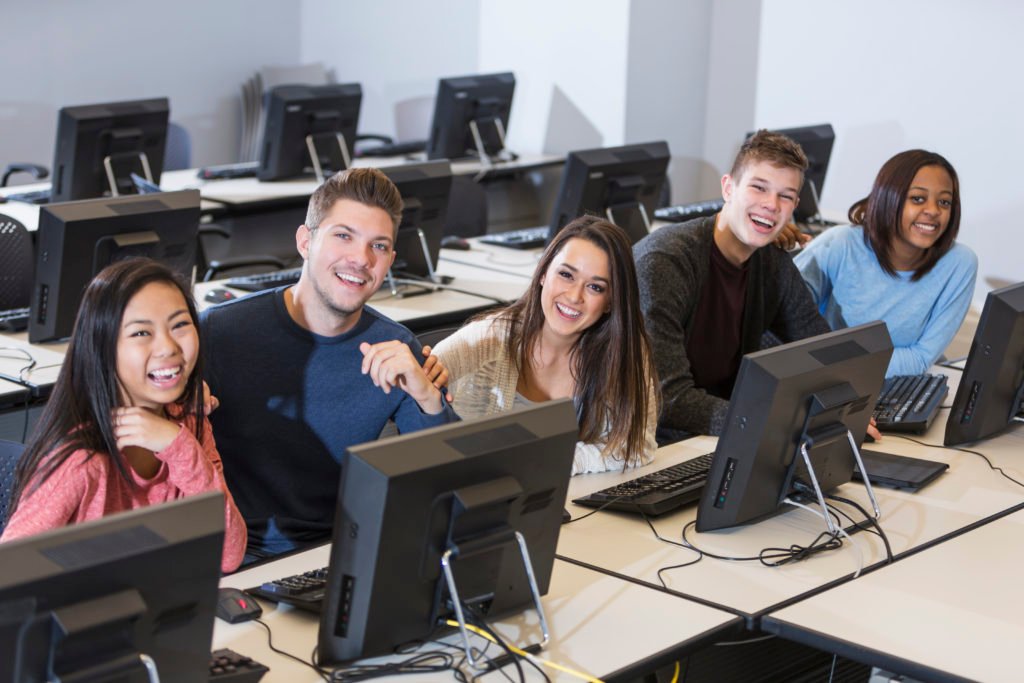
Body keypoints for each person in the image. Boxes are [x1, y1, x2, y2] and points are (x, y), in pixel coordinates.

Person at [201, 167, 457, 562]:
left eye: (379, 246)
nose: (360, 259)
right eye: (343, 236)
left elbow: (447, 480)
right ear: (306, 241)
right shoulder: (219, 332)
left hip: (338, 554)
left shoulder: (396, 346)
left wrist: (429, 398)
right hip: (235, 558)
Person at [1, 259, 246, 573]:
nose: (168, 346)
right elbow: (9, 575)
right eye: (142, 332)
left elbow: (228, 554)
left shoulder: (188, 423)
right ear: (103, 348)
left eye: (180, 325)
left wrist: (180, 447)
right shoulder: (80, 460)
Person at [634, 130, 831, 441]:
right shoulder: (664, 262)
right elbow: (668, 400)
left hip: (717, 432)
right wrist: (771, 422)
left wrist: (846, 408)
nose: (772, 205)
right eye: (759, 187)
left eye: (786, 196)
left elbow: (820, 348)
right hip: (653, 441)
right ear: (728, 188)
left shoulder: (770, 260)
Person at [431, 216, 657, 474]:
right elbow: (419, 404)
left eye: (595, 287)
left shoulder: (623, 353)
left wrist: (559, 460)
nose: (574, 296)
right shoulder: (484, 342)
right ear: (543, 273)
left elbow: (637, 445)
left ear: (610, 302)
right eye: (566, 275)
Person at [794, 150, 977, 377]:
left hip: (902, 383)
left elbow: (921, 357)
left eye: (944, 202)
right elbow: (786, 327)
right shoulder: (839, 244)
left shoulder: (959, 263)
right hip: (830, 381)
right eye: (918, 198)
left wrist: (844, 362)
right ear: (888, 197)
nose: (933, 211)